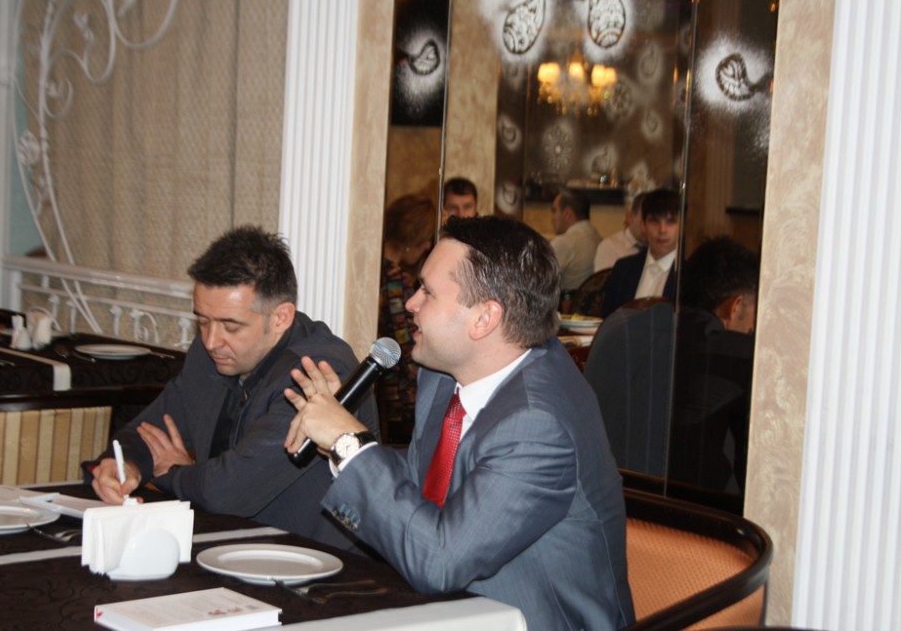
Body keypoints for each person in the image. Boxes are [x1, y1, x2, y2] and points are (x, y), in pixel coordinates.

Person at [283, 216, 635, 630]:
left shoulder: (539, 423)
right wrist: (341, 445)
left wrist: (349, 443)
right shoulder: (443, 376)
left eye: (428, 292)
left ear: (484, 319)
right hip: (449, 612)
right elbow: (422, 486)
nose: (411, 303)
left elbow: (439, 560)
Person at [88, 226, 378, 551]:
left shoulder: (318, 372)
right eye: (203, 321)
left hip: (317, 562)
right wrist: (123, 463)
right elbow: (150, 428)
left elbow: (229, 492)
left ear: (280, 318)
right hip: (228, 545)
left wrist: (175, 471)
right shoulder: (212, 353)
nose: (212, 341)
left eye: (230, 326)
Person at [669, 236, 759, 496]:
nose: (752, 327)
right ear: (736, 306)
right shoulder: (736, 353)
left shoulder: (650, 332)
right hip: (704, 508)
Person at [379, 194, 436, 444]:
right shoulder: (396, 280)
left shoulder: (376, 270)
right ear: (411, 240)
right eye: (424, 240)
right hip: (398, 400)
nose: (428, 246)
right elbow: (406, 344)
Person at [601, 187, 681, 317]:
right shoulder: (623, 268)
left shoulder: (689, 275)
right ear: (643, 225)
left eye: (670, 222)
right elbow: (608, 320)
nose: (662, 230)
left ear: (682, 226)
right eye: (654, 221)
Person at [550, 187, 603, 299]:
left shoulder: (564, 243)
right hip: (594, 307)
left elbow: (535, 281)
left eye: (554, 211)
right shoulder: (600, 240)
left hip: (567, 307)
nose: (552, 218)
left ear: (568, 213)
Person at [594, 191, 648, 272]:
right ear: (631, 217)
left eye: (654, 221)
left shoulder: (658, 247)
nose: (649, 226)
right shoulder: (610, 247)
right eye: (644, 220)